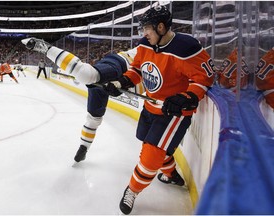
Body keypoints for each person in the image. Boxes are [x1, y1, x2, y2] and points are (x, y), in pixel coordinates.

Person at [103, 5, 215, 214]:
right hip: (150, 106)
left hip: (173, 113)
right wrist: (122, 82)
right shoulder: (146, 44)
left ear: (161, 27)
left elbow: (205, 78)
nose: (144, 33)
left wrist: (187, 96)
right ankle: (171, 173)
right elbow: (137, 69)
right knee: (152, 145)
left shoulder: (186, 47)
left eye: (147, 28)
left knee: (151, 155)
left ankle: (133, 190)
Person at [21, 37, 143, 163]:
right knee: (86, 74)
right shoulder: (153, 48)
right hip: (123, 64)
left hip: (127, 78)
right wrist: (125, 85)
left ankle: (83, 148)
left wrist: (124, 86)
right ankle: (46, 48)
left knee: (94, 119)